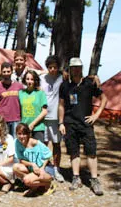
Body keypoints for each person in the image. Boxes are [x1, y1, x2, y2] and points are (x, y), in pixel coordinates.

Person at [58, 57, 107, 196]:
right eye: (73, 67)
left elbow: (104, 99)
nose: (76, 69)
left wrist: (96, 116)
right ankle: (76, 177)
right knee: (74, 151)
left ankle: (94, 179)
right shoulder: (65, 85)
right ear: (70, 69)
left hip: (86, 124)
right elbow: (61, 105)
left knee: (91, 151)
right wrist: (61, 122)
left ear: (82, 68)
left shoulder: (90, 83)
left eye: (78, 67)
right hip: (70, 123)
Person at [40, 55, 65, 182]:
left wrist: (94, 77)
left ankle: (56, 169)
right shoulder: (42, 78)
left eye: (55, 67)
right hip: (43, 116)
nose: (52, 70)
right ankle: (44, 167)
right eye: (50, 67)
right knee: (43, 144)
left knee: (56, 144)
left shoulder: (62, 78)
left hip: (56, 117)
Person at [13, 123, 56, 196]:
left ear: (28, 134)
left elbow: (48, 155)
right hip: (33, 168)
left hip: (45, 168)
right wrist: (32, 164)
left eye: (24, 134)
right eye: (19, 134)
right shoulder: (17, 142)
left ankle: (49, 184)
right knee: (15, 167)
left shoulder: (35, 143)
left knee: (26, 180)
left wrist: (42, 168)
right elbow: (21, 160)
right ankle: (34, 184)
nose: (21, 136)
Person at [0, 62, 23, 137]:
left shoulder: (19, 86)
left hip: (16, 119)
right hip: (2, 120)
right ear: (1, 72)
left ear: (11, 72)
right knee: (3, 141)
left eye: (8, 71)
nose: (6, 73)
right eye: (4, 71)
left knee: (15, 142)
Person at [19, 70, 48, 142]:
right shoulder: (21, 93)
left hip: (38, 128)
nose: (29, 81)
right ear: (24, 80)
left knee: (38, 151)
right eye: (27, 79)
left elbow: (44, 112)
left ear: (35, 81)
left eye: (32, 79)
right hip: (24, 128)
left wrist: (32, 124)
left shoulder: (40, 93)